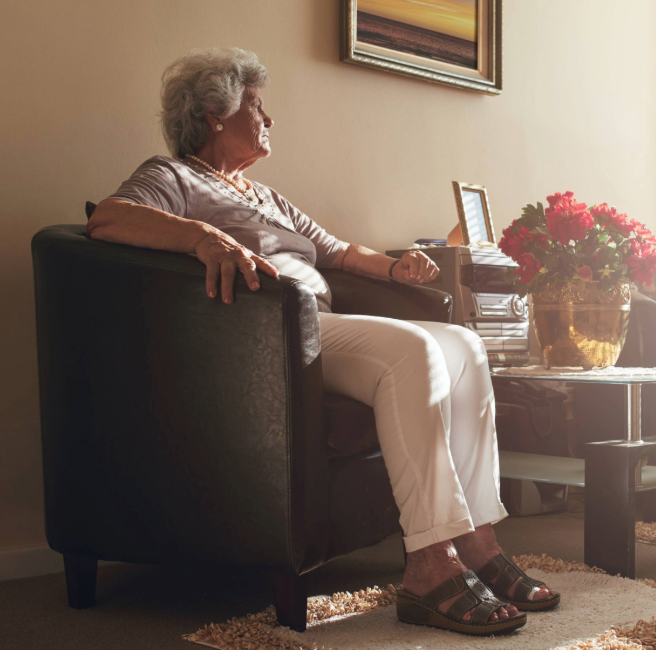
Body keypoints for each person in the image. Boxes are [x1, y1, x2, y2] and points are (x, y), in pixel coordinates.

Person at [86, 47, 556, 636]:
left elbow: (335, 250)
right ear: (214, 115)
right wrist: (203, 236)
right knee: (414, 352)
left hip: (316, 329)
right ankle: (430, 568)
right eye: (257, 106)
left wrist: (395, 268)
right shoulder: (172, 176)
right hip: (263, 339)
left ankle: (479, 541)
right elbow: (107, 218)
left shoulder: (266, 196)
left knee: (463, 344)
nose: (269, 119)